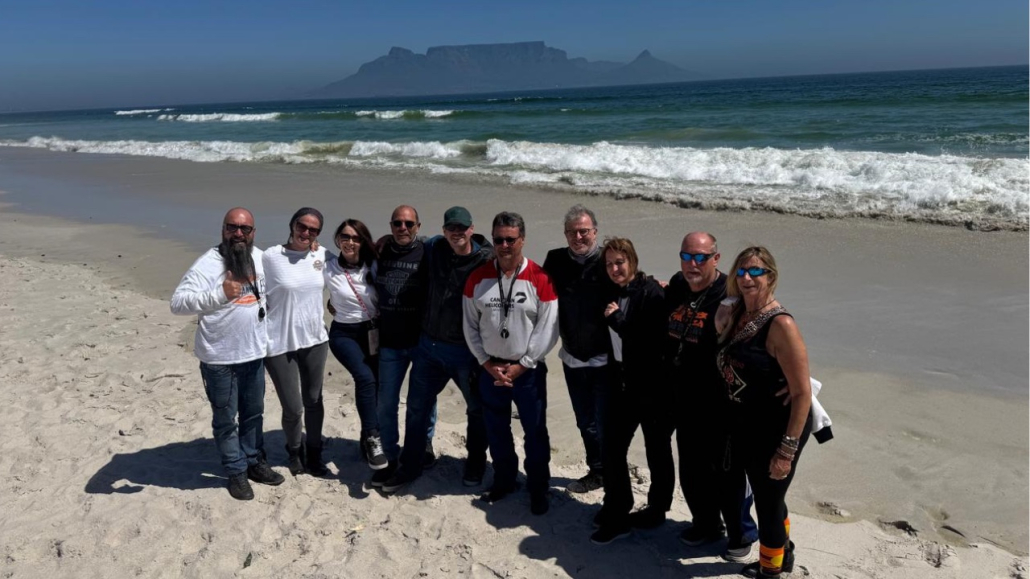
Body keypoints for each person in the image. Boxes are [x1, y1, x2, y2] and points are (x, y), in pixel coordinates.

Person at [170, 207, 284, 500]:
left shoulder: (261, 258)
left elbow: (286, 274)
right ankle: (236, 471)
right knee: (225, 420)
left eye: (245, 229)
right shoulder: (208, 264)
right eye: (232, 227)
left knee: (253, 414)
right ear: (223, 229)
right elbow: (177, 303)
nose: (238, 234)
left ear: (253, 233)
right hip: (219, 359)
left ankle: (253, 462)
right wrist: (220, 294)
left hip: (253, 354)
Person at [661, 232, 759, 560]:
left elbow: (761, 333)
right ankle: (706, 524)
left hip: (720, 403)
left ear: (716, 258)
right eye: (687, 256)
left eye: (701, 257)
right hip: (682, 396)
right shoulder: (677, 285)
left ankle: (741, 534)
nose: (693, 263)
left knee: (727, 472)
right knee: (691, 469)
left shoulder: (730, 294)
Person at [716, 246, 813, 579]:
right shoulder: (737, 312)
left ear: (770, 276)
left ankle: (770, 570)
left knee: (768, 501)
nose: (747, 278)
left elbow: (801, 394)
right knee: (768, 496)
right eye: (741, 271)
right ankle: (784, 551)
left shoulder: (781, 324)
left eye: (755, 271)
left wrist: (786, 451)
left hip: (779, 426)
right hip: (748, 423)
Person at [381, 206, 493, 492]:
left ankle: (476, 461)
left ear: (471, 229)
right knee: (416, 408)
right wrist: (380, 242)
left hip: (466, 352)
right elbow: (409, 241)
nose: (457, 233)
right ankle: (411, 464)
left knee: (477, 410)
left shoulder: (486, 260)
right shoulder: (434, 248)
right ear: (444, 231)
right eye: (451, 228)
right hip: (428, 348)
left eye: (462, 228)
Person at [462, 211, 559, 515]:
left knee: (535, 432)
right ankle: (504, 480)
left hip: (527, 372)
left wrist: (524, 364)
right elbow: (469, 325)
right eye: (498, 240)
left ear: (522, 240)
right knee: (496, 429)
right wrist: (485, 362)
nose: (504, 245)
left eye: (510, 239)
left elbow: (549, 328)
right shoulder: (478, 278)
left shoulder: (540, 278)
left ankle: (538, 487)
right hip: (490, 369)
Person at [589, 237, 667, 544]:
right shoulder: (610, 291)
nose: (614, 269)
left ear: (632, 260)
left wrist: (618, 320)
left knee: (656, 450)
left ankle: (657, 510)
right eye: (609, 264)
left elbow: (652, 342)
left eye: (619, 262)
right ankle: (617, 509)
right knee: (612, 448)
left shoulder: (652, 292)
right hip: (621, 382)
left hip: (652, 385)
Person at [542, 205, 612, 493]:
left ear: (595, 231)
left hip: (606, 360)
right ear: (565, 234)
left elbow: (633, 283)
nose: (578, 237)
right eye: (572, 232)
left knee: (606, 423)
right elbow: (538, 294)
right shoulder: (555, 260)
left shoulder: (608, 260)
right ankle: (598, 471)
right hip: (572, 357)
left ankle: (613, 472)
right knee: (585, 421)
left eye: (584, 231)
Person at [262, 207, 331, 477]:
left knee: (314, 400)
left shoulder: (321, 254)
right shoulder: (270, 256)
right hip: (279, 342)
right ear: (292, 225)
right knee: (293, 407)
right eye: (302, 226)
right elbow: (245, 280)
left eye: (313, 230)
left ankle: (314, 452)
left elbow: (352, 266)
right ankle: (294, 450)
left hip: (315, 339)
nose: (306, 232)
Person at [374, 205, 436, 479]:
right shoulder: (379, 251)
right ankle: (389, 450)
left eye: (409, 224)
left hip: (421, 342)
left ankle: (425, 442)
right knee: (386, 403)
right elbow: (347, 258)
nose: (403, 228)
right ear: (390, 226)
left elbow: (464, 245)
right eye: (397, 223)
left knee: (422, 402)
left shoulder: (428, 251)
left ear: (418, 227)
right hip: (389, 342)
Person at [325, 218, 388, 471]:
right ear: (338, 239)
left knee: (376, 385)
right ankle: (373, 437)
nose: (350, 242)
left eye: (355, 238)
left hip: (374, 332)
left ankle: (365, 438)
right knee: (365, 378)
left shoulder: (375, 265)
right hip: (344, 334)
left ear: (363, 241)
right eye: (345, 237)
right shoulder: (327, 265)